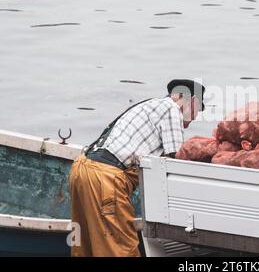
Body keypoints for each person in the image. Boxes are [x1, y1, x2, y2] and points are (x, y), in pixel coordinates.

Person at [69, 79, 205, 257]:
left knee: (84, 248)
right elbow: (175, 160)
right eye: (197, 110)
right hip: (105, 178)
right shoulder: (172, 109)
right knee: (121, 249)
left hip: (82, 169)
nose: (194, 118)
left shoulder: (150, 105)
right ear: (190, 100)